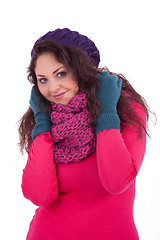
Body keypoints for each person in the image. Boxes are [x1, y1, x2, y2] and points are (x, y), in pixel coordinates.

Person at [18, 28, 150, 240]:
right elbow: (40, 195)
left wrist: (106, 110)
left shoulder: (125, 109)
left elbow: (116, 182)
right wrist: (42, 123)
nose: (53, 88)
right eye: (43, 80)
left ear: (82, 68)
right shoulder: (47, 118)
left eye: (61, 73)